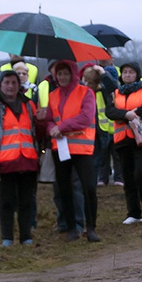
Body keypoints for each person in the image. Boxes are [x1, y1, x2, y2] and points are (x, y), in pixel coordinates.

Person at [0, 71, 41, 247]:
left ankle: (26, 236)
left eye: (14, 82)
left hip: (28, 160)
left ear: (19, 85)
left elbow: (38, 133)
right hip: (4, 162)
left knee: (27, 202)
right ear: (0, 85)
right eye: (7, 82)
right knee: (6, 202)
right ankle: (7, 237)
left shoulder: (29, 105)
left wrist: (42, 120)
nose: (11, 86)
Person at [45, 60, 100, 242]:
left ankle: (90, 227)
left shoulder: (86, 92)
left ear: (73, 74)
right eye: (59, 74)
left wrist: (60, 126)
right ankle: (71, 228)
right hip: (60, 148)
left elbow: (85, 117)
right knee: (64, 189)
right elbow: (49, 119)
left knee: (88, 187)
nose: (62, 77)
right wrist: (50, 126)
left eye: (66, 73)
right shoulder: (52, 96)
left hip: (82, 147)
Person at [105, 61, 142, 224]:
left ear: (137, 74)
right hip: (123, 140)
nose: (127, 75)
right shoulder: (115, 92)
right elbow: (110, 111)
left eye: (131, 72)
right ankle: (134, 213)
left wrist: (132, 114)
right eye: (125, 72)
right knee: (127, 176)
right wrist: (125, 114)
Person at [81, 64, 119, 188]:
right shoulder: (85, 91)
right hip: (92, 129)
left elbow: (114, 87)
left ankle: (116, 178)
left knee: (112, 155)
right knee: (98, 157)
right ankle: (99, 178)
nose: (87, 84)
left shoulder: (103, 90)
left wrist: (103, 73)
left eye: (90, 82)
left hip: (107, 128)